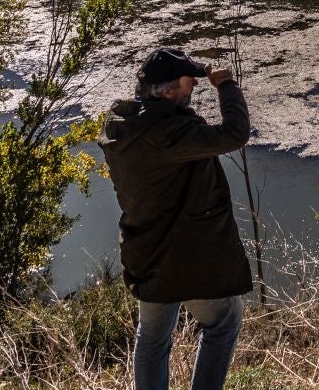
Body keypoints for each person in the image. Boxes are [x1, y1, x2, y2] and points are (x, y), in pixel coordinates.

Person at [100, 48, 254, 390]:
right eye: (188, 81)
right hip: (186, 257)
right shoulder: (170, 133)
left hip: (146, 251)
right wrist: (227, 86)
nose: (194, 86)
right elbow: (235, 134)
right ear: (167, 90)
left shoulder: (123, 126)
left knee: (153, 338)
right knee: (223, 323)